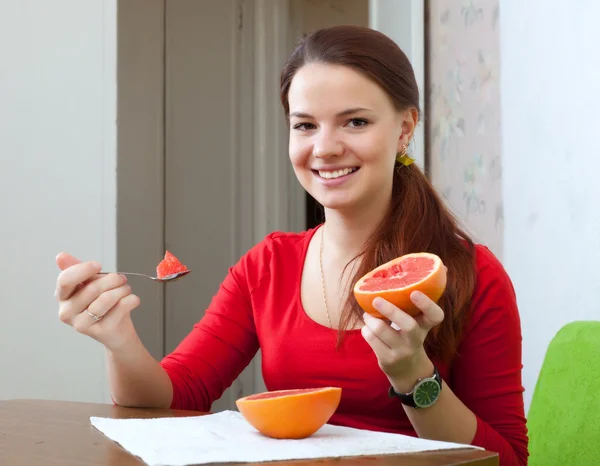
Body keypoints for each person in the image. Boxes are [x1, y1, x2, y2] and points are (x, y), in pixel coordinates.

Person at [54, 25, 528, 466]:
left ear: (405, 128)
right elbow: (177, 394)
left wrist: (414, 376)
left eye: (355, 122)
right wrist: (118, 340)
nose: (324, 148)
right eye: (305, 125)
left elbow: (507, 459)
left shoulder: (473, 275)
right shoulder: (267, 266)